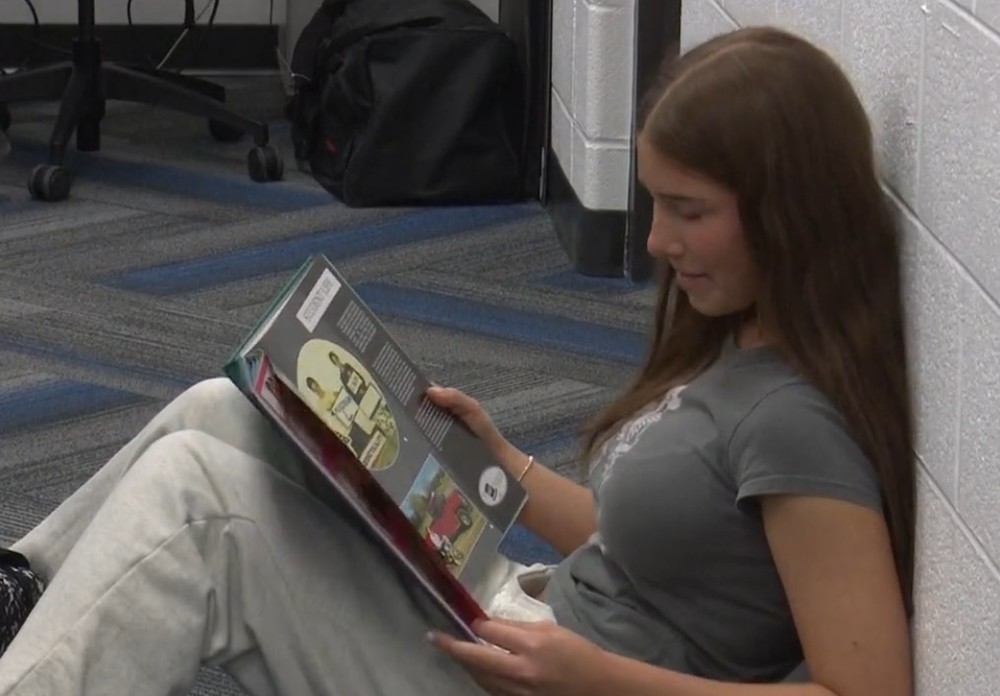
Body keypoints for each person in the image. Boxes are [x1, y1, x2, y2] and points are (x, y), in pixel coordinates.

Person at [0, 25, 915, 696]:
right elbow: (661, 547)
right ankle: (24, 590)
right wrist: (498, 462)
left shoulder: (798, 426)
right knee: (226, 409)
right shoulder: (740, 343)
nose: (661, 239)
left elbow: (864, 694)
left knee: (197, 508)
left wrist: (594, 678)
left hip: (542, 676)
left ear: (786, 206)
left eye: (690, 210)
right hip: (526, 621)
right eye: (654, 203)